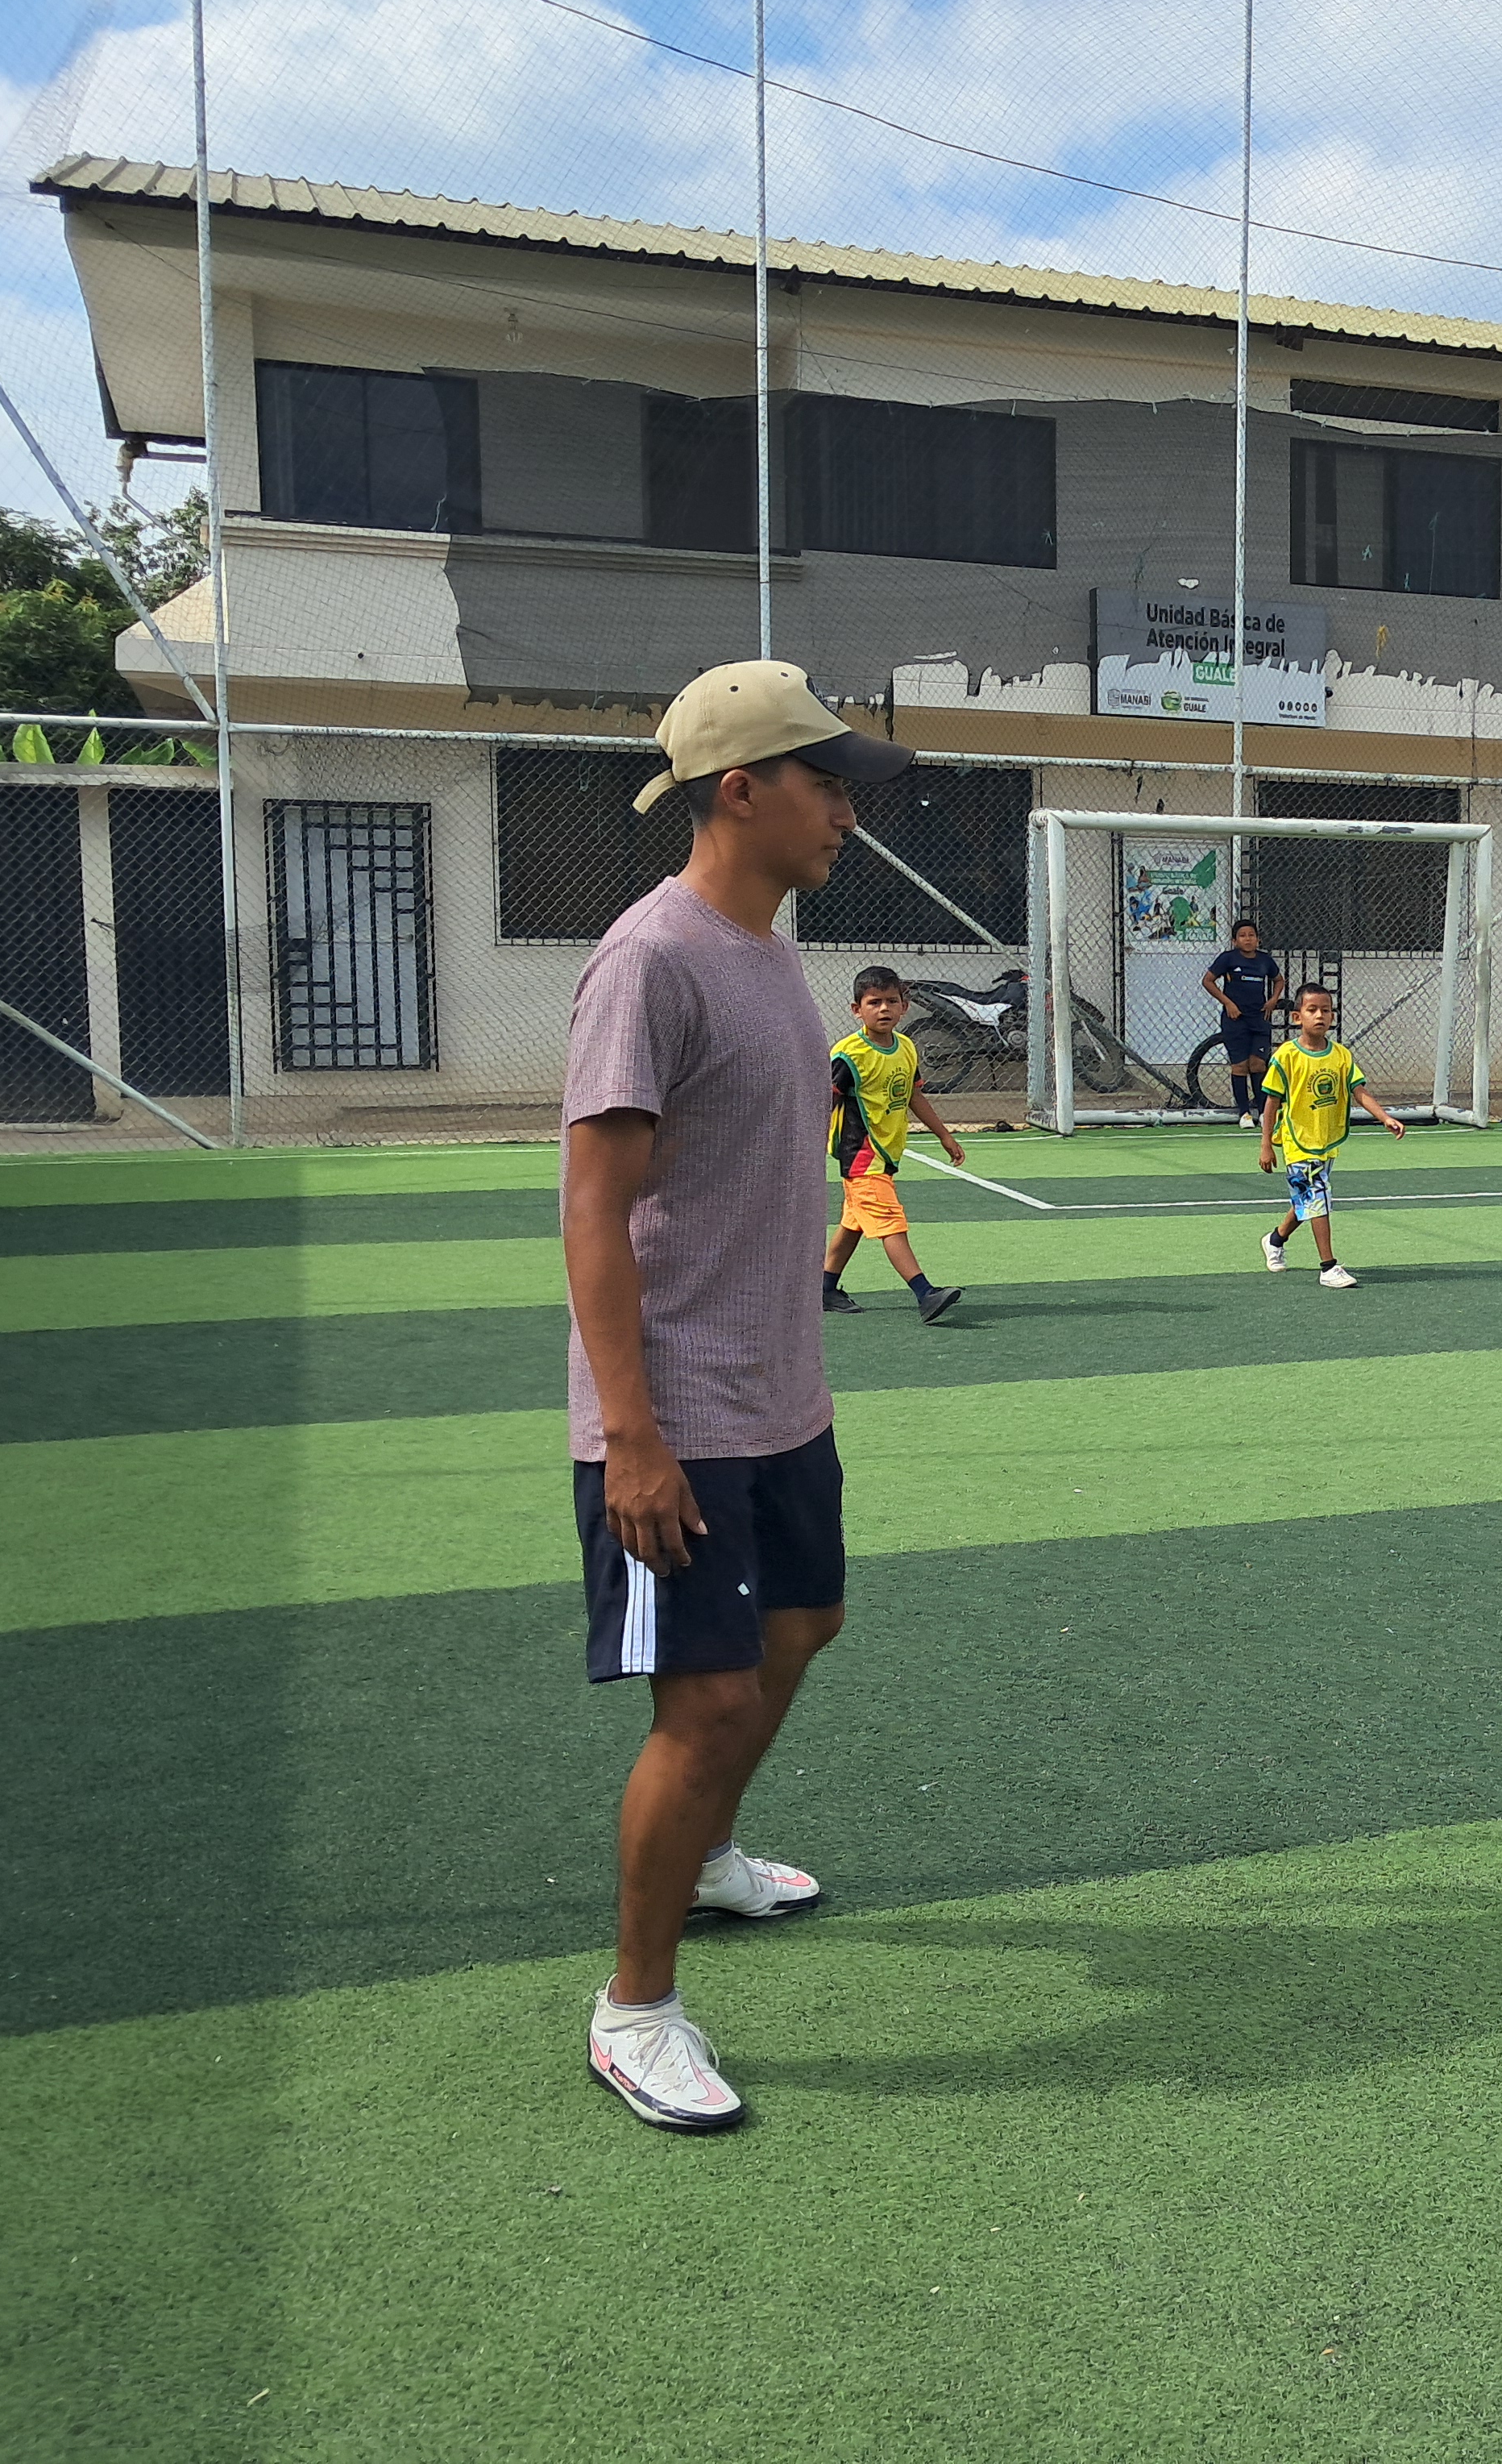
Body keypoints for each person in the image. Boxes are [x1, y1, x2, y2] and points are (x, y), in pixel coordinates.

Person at [562, 657, 910, 2134]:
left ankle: (705, 1859)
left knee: (802, 1628)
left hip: (781, 1398)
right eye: (827, 783)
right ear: (742, 790)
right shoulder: (650, 959)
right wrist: (630, 1436)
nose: (847, 811)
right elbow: (593, 1209)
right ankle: (635, 2009)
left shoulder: (771, 954)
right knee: (702, 1706)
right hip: (676, 1419)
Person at [823, 964, 967, 1323]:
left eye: (891, 1001)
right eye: (874, 1002)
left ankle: (824, 1289)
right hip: (861, 1156)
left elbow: (914, 1095)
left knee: (854, 1222)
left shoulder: (906, 1047)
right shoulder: (849, 1055)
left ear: (904, 1006)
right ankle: (925, 1293)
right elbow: (824, 1100)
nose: (884, 1009)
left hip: (886, 1153)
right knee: (890, 1221)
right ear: (857, 1009)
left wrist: (944, 1135)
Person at [1258, 982, 1404, 1288]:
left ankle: (1275, 1240)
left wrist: (1385, 1117)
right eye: (1312, 1010)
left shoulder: (1341, 1055)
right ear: (1297, 1017)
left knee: (1309, 1200)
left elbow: (1359, 1091)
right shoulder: (1286, 1056)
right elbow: (1271, 1102)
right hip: (1298, 1141)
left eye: (1325, 1010)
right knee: (1317, 1198)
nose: (1319, 1016)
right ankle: (1328, 1267)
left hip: (1326, 1140)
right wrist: (1266, 1145)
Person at [1201, 918, 1288, 1120]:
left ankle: (1264, 1112)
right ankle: (1244, 1113)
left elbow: (1278, 980)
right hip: (1235, 1019)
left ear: (1258, 939)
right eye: (1242, 936)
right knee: (1240, 1066)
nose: (1247, 939)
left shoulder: (1265, 960)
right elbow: (1208, 981)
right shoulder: (1228, 959)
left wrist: (1273, 1000)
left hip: (1259, 1019)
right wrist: (1228, 1003)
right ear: (1234, 941)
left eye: (1251, 935)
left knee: (1258, 1064)